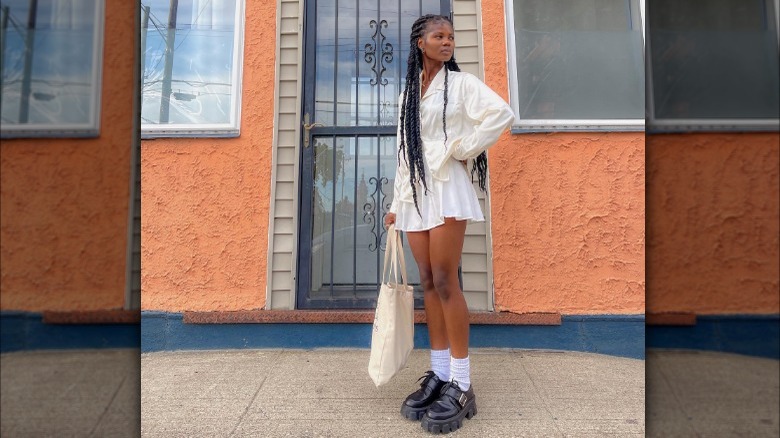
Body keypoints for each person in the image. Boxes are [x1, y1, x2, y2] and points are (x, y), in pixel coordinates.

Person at [383, 14, 514, 435]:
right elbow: (406, 149)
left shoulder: (461, 85)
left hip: (447, 190)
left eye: (451, 37)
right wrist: (394, 202)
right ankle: (439, 374)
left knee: (445, 280)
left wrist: (463, 147)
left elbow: (500, 114)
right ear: (420, 42)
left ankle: (462, 382)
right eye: (439, 36)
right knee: (425, 280)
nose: (447, 42)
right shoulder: (410, 91)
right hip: (415, 194)